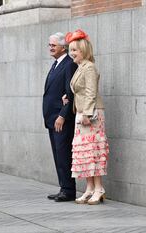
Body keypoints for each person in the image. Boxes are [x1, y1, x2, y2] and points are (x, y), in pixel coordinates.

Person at [65, 29, 109, 205]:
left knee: (93, 151)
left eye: (75, 50)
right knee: (84, 153)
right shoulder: (80, 67)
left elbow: (91, 92)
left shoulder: (89, 67)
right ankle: (90, 188)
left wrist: (87, 114)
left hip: (91, 114)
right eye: (70, 50)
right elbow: (81, 91)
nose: (72, 53)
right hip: (82, 113)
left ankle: (99, 188)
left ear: (83, 50)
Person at [42, 32, 78, 202]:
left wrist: (62, 115)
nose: (50, 48)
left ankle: (69, 190)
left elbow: (70, 93)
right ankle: (63, 187)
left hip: (61, 119)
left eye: (53, 45)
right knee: (58, 154)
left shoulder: (69, 65)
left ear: (63, 47)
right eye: (49, 45)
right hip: (51, 119)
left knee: (64, 154)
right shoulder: (56, 64)